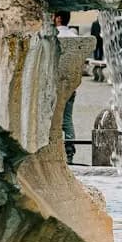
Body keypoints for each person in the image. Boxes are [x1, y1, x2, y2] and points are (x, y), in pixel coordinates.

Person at [54, 10, 81, 146]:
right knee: (67, 119)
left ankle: (53, 148)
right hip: (70, 84)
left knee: (52, 119)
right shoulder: (74, 36)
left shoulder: (53, 35)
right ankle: (70, 150)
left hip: (54, 84)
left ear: (58, 18)